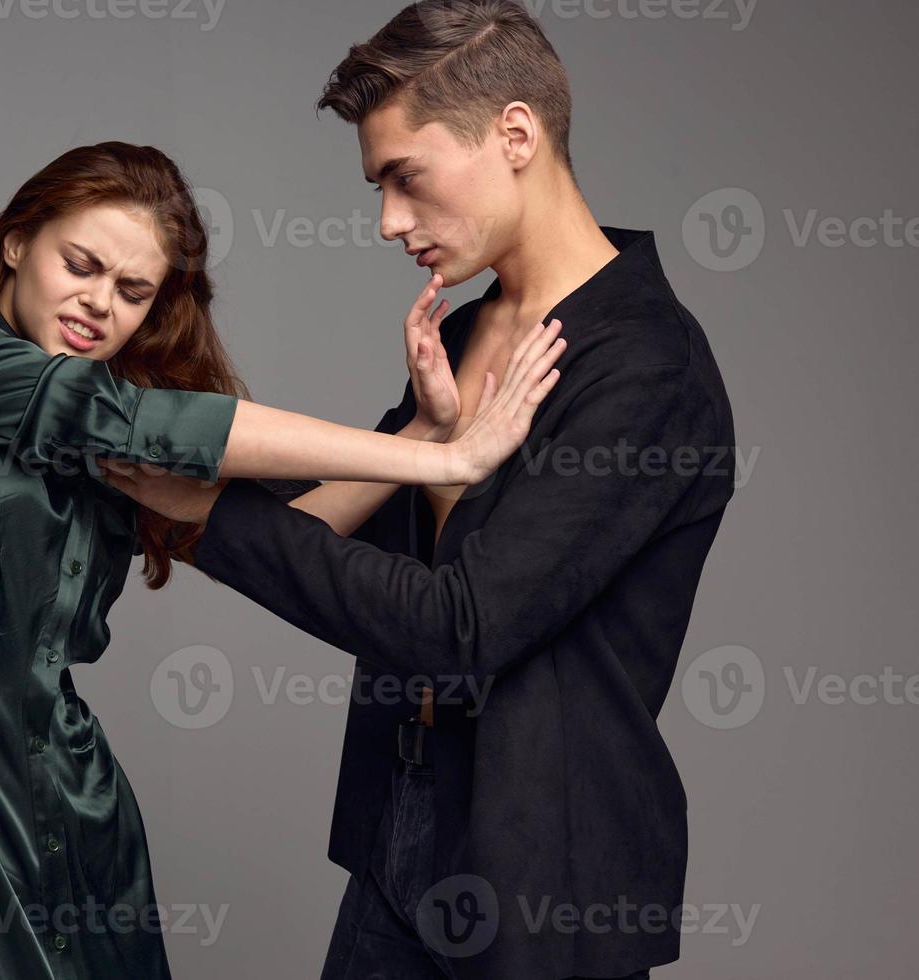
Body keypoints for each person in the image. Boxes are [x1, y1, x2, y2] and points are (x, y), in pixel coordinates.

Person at [0, 140, 565, 979]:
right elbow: (131, 417)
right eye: (81, 265)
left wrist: (424, 431)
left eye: (132, 291)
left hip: (83, 817)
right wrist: (446, 463)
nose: (98, 303)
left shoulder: (94, 434)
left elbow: (281, 533)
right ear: (17, 240)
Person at [98, 3, 737, 978]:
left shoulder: (647, 369)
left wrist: (209, 511)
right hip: (397, 836)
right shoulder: (470, 331)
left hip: (542, 884)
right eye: (378, 185)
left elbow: (461, 626)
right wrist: (429, 436)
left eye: (406, 176)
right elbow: (320, 534)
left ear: (515, 134)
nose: (389, 219)